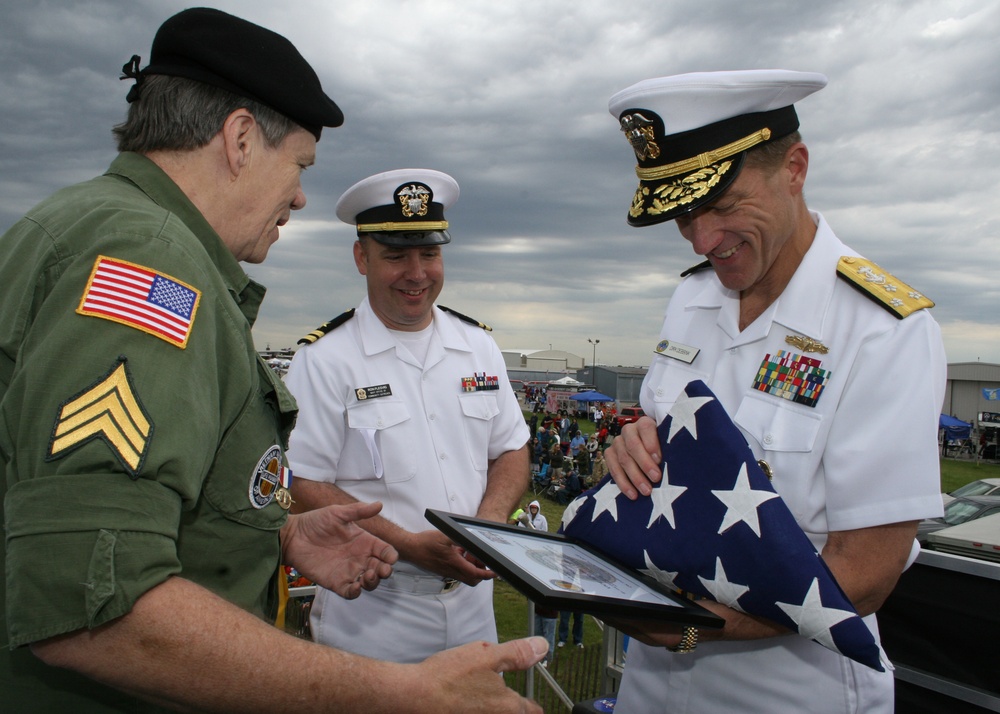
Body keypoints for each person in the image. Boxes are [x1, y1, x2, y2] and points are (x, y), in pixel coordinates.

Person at [0, 9, 545, 712]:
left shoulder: (82, 223)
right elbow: (90, 599)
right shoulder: (147, 262)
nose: (297, 195)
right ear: (239, 138)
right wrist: (397, 692)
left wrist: (282, 532)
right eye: (299, 165)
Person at [603, 70, 946, 713]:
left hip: (791, 693)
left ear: (795, 168)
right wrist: (630, 449)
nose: (704, 239)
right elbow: (666, 457)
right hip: (651, 687)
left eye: (725, 205)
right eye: (683, 215)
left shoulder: (881, 330)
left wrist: (690, 630)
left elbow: (867, 572)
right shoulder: (691, 298)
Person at [284, 168, 531, 664]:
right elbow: (301, 482)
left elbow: (511, 447)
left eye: (430, 254)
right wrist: (408, 544)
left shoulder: (477, 345)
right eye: (396, 256)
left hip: (473, 608)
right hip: (373, 609)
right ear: (362, 258)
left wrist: (487, 526)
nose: (417, 273)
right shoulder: (326, 358)